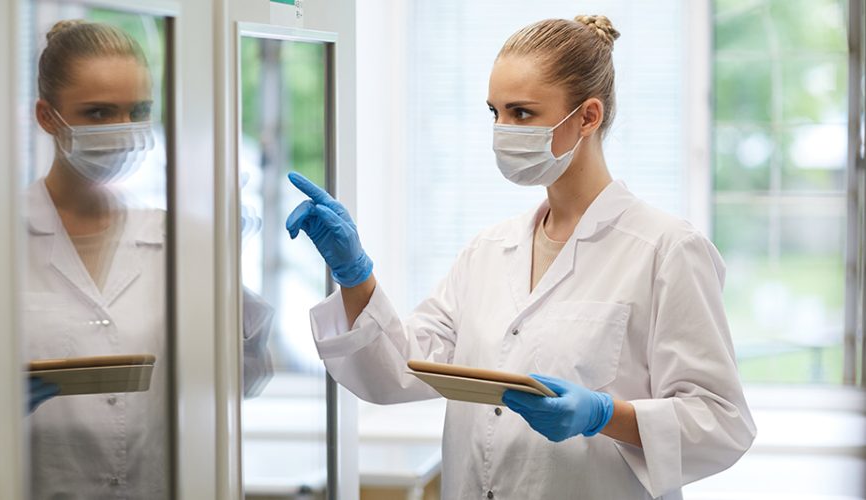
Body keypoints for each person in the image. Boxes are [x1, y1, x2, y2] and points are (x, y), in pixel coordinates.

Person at [286, 16, 756, 499]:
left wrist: (604, 414)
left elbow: (722, 423)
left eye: (522, 113)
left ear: (588, 117)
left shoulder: (666, 250)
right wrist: (355, 275)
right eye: (494, 112)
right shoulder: (488, 252)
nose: (502, 130)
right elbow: (399, 374)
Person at [25, 19, 272, 498]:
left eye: (138, 111)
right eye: (98, 113)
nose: (122, 132)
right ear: (47, 116)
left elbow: (245, 379)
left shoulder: (176, 237)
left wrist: (225, 262)